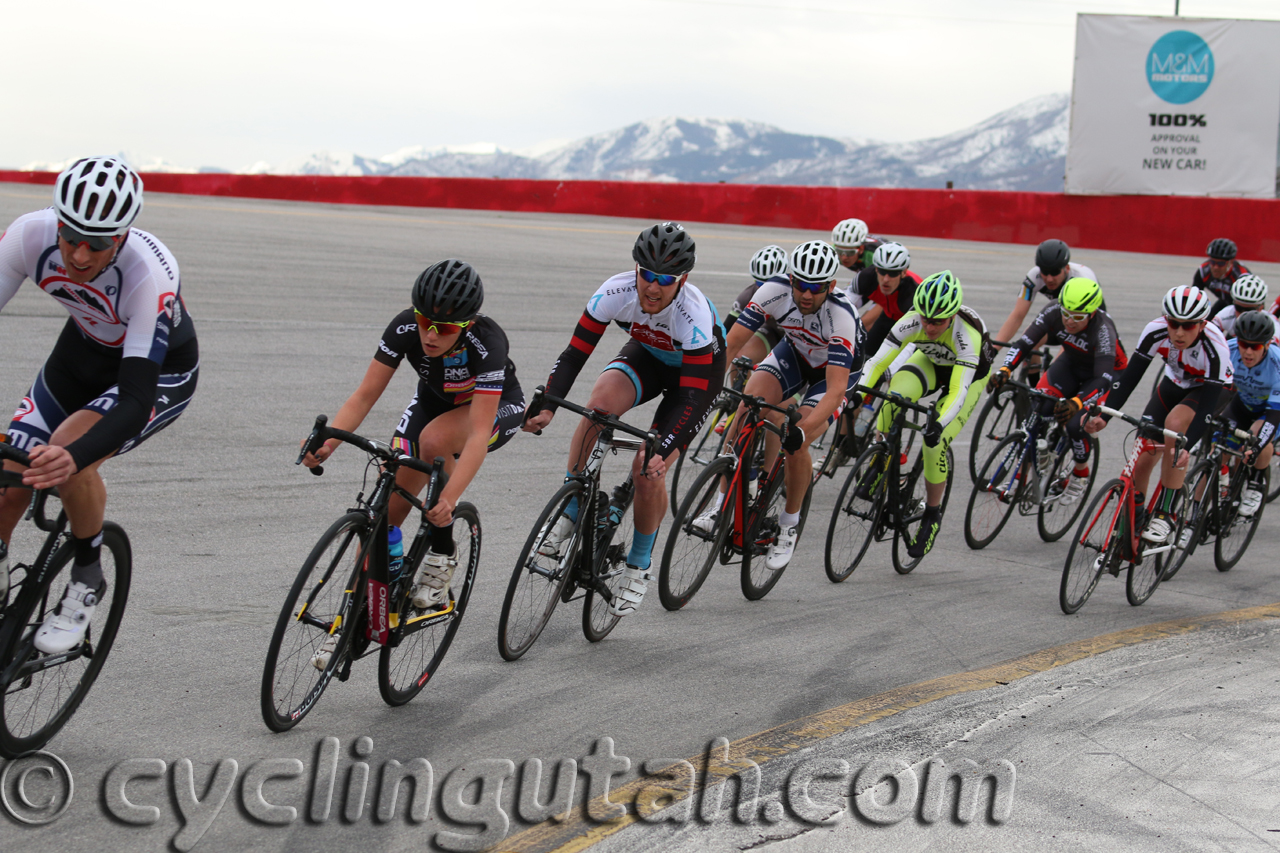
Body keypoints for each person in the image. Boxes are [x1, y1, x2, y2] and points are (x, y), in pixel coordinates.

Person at [0, 157, 199, 653]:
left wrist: (74, 456)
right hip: (79, 356)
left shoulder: (150, 274)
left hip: (155, 374)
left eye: (99, 244)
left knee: (68, 451)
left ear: (123, 237)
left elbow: (134, 399)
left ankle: (88, 574)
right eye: (71, 238)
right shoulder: (29, 236)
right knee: (9, 475)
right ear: (56, 222)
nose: (81, 255)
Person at [302, 259, 522, 641]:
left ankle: (443, 549)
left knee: (435, 441)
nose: (431, 335)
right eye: (425, 322)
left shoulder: (488, 342)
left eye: (446, 328)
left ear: (467, 324)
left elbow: (476, 435)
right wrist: (330, 440)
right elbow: (365, 394)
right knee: (383, 512)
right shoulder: (404, 326)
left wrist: (449, 500)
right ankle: (359, 612)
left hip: (496, 408)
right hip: (434, 403)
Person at [523, 222, 725, 616]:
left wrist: (663, 449)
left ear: (683, 279)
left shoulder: (693, 315)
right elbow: (574, 354)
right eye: (646, 275)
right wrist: (549, 402)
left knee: (647, 469)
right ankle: (571, 510)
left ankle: (639, 564)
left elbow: (693, 395)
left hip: (695, 379)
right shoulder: (614, 292)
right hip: (648, 356)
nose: (652, 287)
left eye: (664, 280)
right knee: (597, 408)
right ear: (635, 270)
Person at [703, 240, 864, 569]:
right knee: (748, 405)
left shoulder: (841, 316)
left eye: (815, 288)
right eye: (800, 284)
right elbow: (730, 345)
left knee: (796, 443)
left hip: (833, 376)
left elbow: (835, 392)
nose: (806, 294)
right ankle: (719, 506)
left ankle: (789, 525)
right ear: (790, 279)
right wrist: (703, 393)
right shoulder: (772, 291)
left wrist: (802, 432)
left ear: (831, 286)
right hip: (796, 353)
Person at [857, 271, 994, 559]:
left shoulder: (967, 335)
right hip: (930, 361)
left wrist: (939, 424)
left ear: (952, 316)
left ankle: (932, 515)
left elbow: (958, 391)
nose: (929, 327)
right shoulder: (912, 320)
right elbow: (877, 363)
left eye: (937, 321)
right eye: (925, 319)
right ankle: (882, 459)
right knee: (893, 397)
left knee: (935, 442)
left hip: (966, 377)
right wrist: (856, 394)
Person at [1084, 286, 1232, 545]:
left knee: (1175, 427)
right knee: (1142, 455)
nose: (1179, 332)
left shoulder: (1215, 345)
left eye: (1188, 326)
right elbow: (1129, 379)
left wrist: (1190, 444)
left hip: (1210, 389)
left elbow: (1207, 408)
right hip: (1175, 383)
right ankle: (1137, 517)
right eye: (1173, 323)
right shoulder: (1155, 330)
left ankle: (1165, 513)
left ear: (1202, 323)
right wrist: (1104, 416)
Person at [988, 277, 1127, 505]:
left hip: (1105, 374)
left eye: (1078, 317)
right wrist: (1005, 369)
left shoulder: (1103, 330)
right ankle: (1022, 477)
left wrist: (1077, 403)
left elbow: (1103, 378)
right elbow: (1024, 343)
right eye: (1066, 314)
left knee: (1075, 423)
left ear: (1092, 314)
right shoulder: (1053, 310)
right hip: (1072, 363)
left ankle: (1080, 474)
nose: (1070, 321)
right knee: (1038, 409)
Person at [993, 240, 1098, 386]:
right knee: (1029, 339)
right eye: (1045, 272)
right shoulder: (1034, 276)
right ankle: (1034, 392)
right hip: (1060, 317)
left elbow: (1078, 330)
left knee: (1061, 367)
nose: (1049, 278)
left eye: (1055, 272)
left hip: (1083, 325)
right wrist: (993, 350)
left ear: (1066, 268)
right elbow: (1018, 315)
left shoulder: (1083, 279)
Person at [1221, 310, 1280, 518]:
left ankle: (1255, 485)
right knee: (1219, 444)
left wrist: (1257, 447)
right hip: (1244, 403)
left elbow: (1273, 417)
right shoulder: (1227, 350)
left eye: (1254, 346)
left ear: (1266, 345)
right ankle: (1226, 485)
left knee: (1255, 438)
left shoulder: (1276, 363)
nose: (1247, 351)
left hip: (1271, 410)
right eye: (1243, 344)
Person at [724, 245, 788, 374]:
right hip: (773, 333)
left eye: (771, 284)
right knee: (740, 358)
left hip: (798, 344)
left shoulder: (798, 298)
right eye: (760, 284)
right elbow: (724, 334)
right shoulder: (748, 295)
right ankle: (737, 394)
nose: (764, 290)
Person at [1193, 238, 1251, 317]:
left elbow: (1255, 303)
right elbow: (1194, 297)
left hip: (1241, 307)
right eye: (1212, 262)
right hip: (1224, 301)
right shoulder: (1204, 271)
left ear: (1230, 262)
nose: (1215, 267)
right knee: (1208, 321)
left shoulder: (1241, 276)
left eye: (1221, 264)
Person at [1211, 273, 1267, 339]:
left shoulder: (1271, 324)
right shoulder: (1226, 315)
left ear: (1261, 308)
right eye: (1239, 308)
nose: (1243, 314)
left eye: (1249, 310)